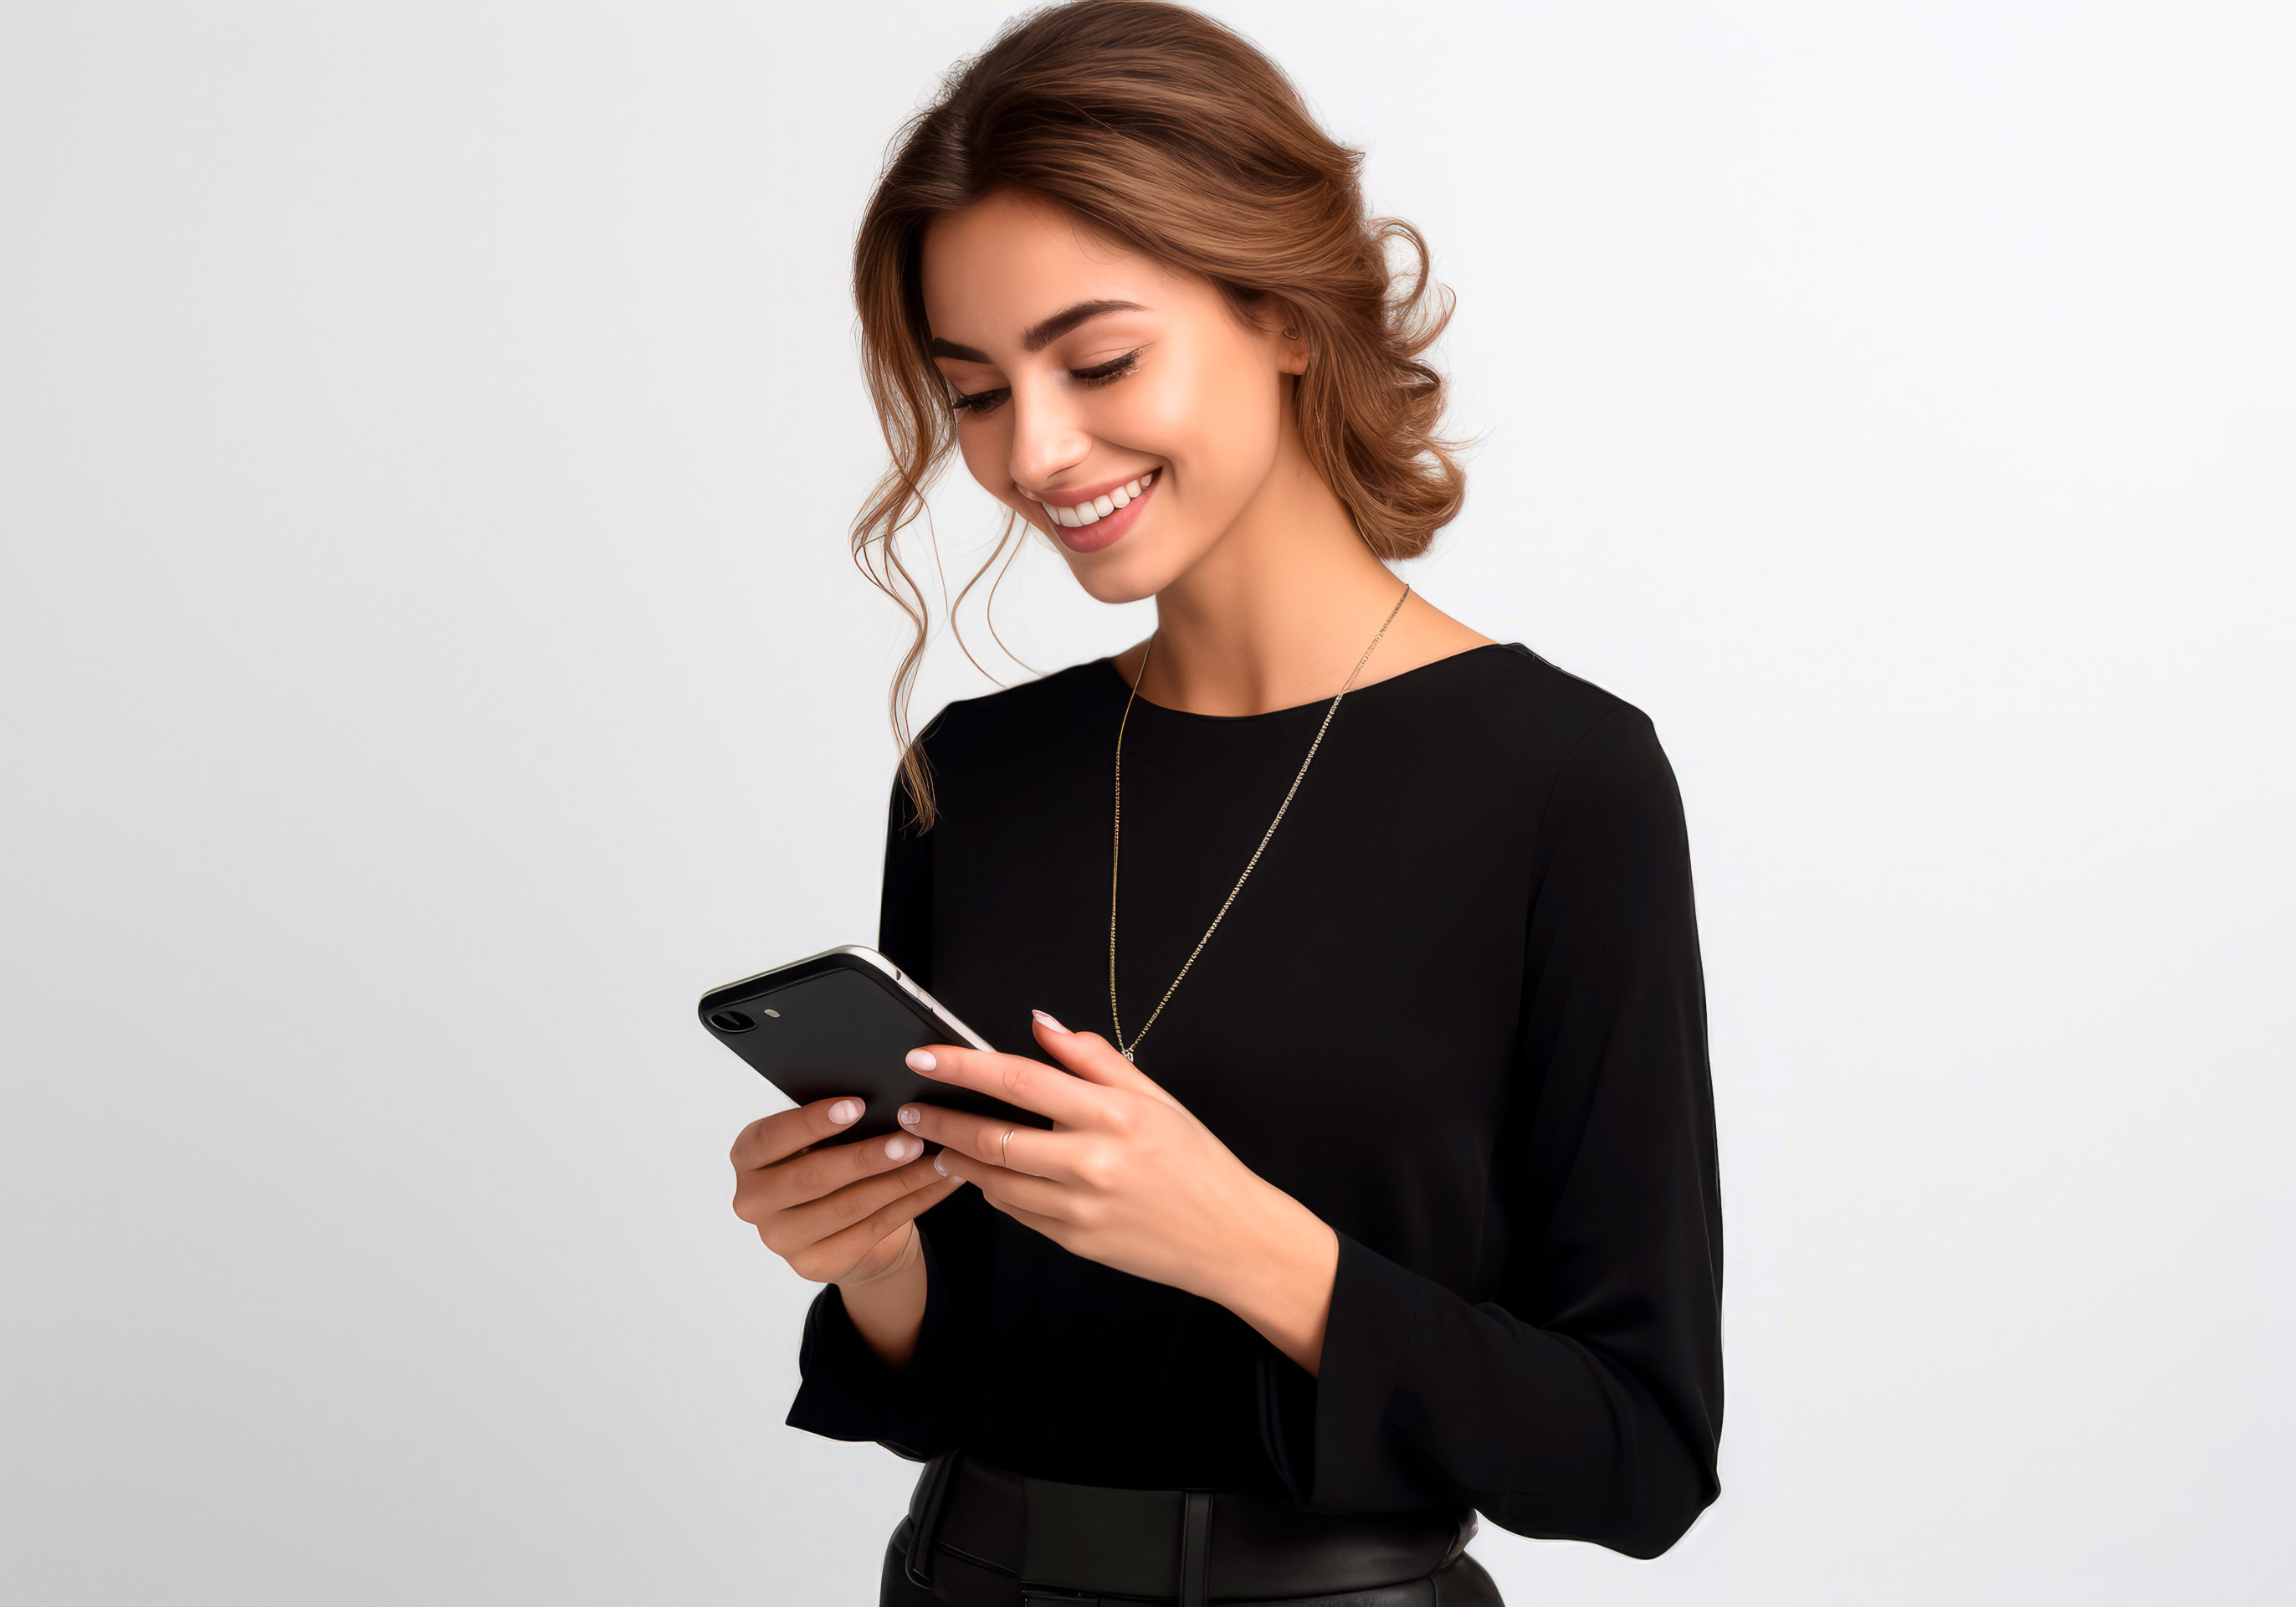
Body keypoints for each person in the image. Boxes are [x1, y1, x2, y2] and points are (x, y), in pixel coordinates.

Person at [725, 5, 1723, 1601]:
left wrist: (1243, 1243)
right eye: (973, 390)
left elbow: (1638, 1452)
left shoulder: (1563, 780)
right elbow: (952, 1377)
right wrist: (872, 1259)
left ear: (1289, 315)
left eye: (1100, 358)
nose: (1035, 452)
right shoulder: (973, 779)